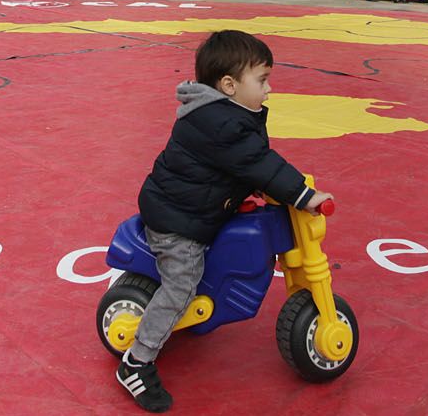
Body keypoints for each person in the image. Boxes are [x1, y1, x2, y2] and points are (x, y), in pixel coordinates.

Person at [116, 29, 331, 412]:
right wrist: (303, 195)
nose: (269, 89)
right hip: (177, 220)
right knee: (183, 282)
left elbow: (245, 162)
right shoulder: (222, 123)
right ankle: (138, 359)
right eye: (262, 80)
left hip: (197, 206)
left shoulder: (227, 113)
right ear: (229, 85)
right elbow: (256, 161)